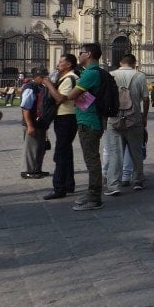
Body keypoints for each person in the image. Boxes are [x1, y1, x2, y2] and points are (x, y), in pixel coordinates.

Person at [42, 42, 106, 211]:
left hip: (89, 121)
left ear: (89, 55)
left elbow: (68, 96)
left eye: (81, 52)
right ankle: (90, 192)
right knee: (86, 158)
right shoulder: (86, 73)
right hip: (86, 119)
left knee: (91, 161)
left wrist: (49, 84)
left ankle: (94, 198)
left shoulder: (89, 74)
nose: (79, 55)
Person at [102, 53, 150, 195]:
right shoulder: (140, 76)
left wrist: (105, 118)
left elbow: (105, 97)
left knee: (114, 153)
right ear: (134, 63)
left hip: (114, 118)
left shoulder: (111, 75)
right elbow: (146, 99)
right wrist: (144, 116)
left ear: (121, 63)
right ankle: (138, 181)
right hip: (134, 118)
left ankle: (113, 185)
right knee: (136, 152)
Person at [43, 54, 79, 200]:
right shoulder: (68, 77)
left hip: (66, 117)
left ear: (69, 65)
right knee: (66, 151)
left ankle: (59, 187)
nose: (58, 64)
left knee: (60, 153)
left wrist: (48, 84)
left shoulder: (70, 78)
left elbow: (61, 98)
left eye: (61, 62)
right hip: (66, 117)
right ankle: (69, 184)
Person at [19, 67, 51, 179]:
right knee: (31, 148)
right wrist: (29, 125)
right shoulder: (30, 88)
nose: (45, 79)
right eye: (43, 77)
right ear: (37, 77)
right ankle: (27, 170)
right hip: (32, 123)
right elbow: (26, 108)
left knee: (40, 148)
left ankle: (37, 169)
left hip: (40, 123)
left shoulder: (41, 87)